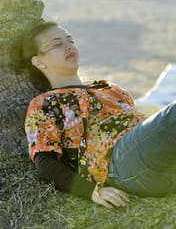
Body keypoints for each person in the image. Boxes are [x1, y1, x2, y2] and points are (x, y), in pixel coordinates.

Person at [23, 21, 176, 209]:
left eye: (70, 40)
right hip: (120, 165)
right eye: (57, 44)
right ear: (38, 61)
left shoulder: (112, 89)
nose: (68, 45)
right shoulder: (44, 103)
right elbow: (45, 163)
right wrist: (90, 191)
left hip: (159, 167)